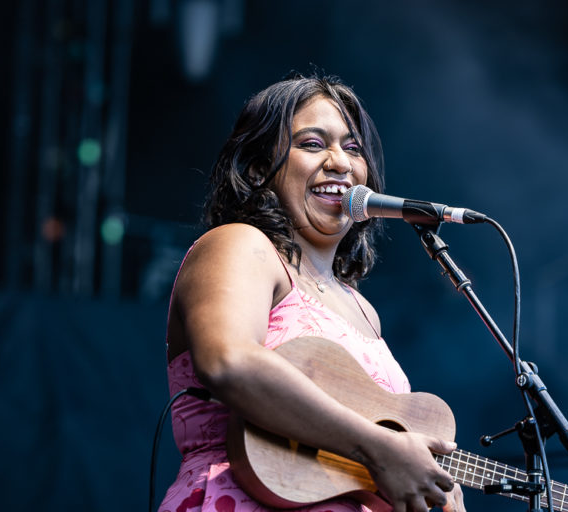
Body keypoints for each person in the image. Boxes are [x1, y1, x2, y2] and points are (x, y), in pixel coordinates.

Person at [159, 73, 466, 512]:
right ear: (259, 168)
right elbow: (228, 361)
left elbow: (354, 473)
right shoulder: (239, 245)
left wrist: (434, 486)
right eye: (312, 144)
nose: (340, 162)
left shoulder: (363, 310)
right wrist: (378, 447)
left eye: (353, 148)